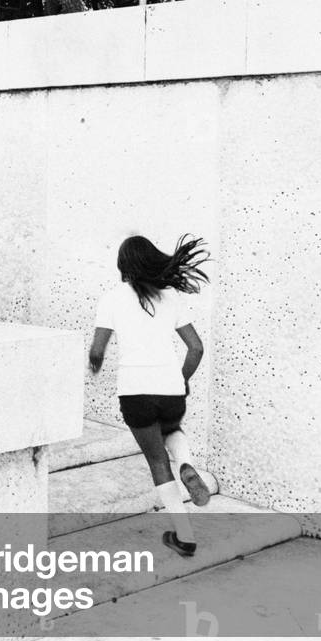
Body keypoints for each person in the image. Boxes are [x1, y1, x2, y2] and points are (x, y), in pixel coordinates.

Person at [88, 234, 211, 557]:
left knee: (157, 461)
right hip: (170, 389)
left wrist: (93, 368)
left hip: (135, 391)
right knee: (172, 429)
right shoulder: (170, 297)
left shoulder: (112, 298)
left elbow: (97, 351)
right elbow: (196, 348)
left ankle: (184, 536)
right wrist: (180, 379)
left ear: (123, 265)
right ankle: (186, 463)